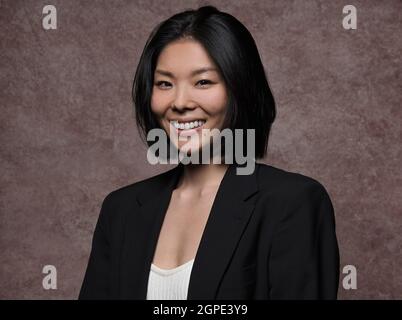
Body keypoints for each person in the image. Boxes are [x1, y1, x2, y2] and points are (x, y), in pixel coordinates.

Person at [79, 5, 340, 300]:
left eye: (203, 82)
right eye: (164, 83)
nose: (179, 102)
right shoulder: (121, 210)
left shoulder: (292, 203)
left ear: (239, 87)